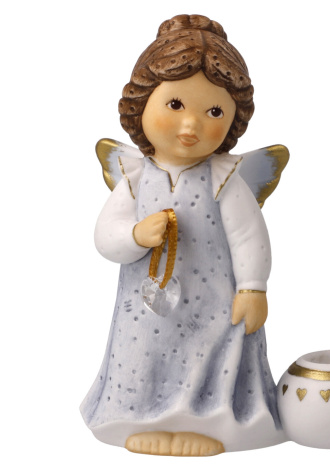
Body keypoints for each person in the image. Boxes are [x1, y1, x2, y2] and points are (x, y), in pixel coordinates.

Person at [80, 14, 286, 456]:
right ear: (140, 105)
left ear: (232, 121)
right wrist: (136, 235)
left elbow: (248, 236)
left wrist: (253, 287)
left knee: (210, 360)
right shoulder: (136, 177)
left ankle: (204, 422)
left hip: (216, 305)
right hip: (145, 309)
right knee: (141, 358)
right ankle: (143, 417)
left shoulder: (224, 178)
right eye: (175, 105)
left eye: (213, 112)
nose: (191, 126)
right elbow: (105, 237)